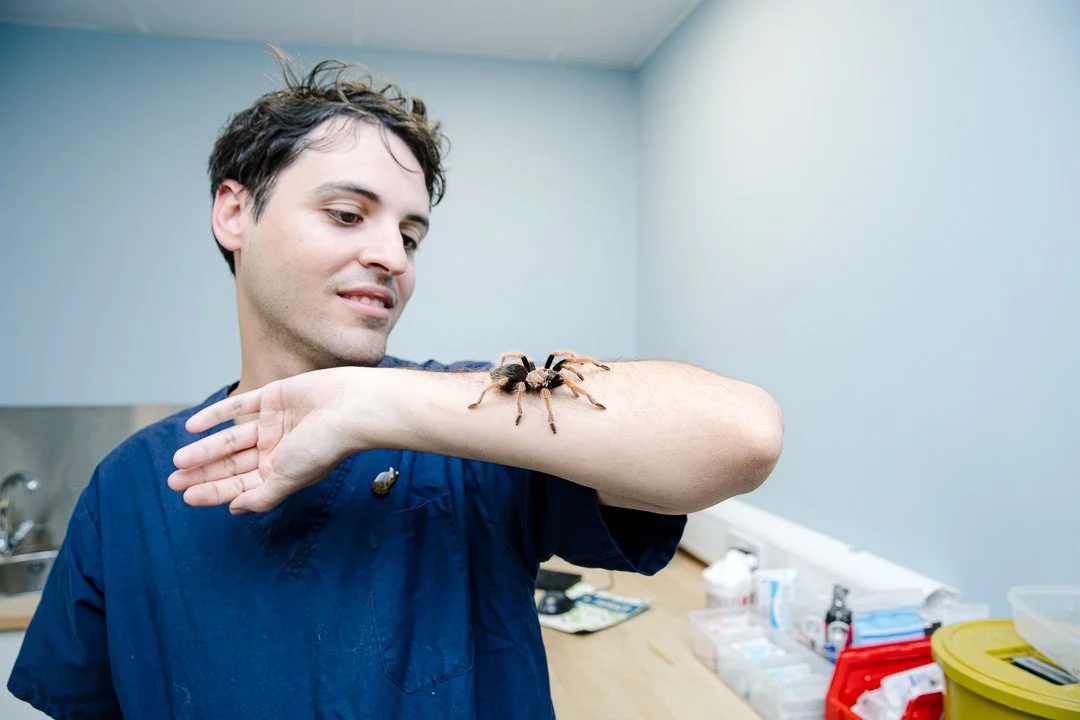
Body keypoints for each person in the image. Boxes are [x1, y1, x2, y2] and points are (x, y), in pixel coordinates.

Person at [8, 47, 784, 719]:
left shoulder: (462, 436)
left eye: (411, 234)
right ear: (234, 213)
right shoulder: (129, 493)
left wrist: (366, 403)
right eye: (348, 215)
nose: (394, 257)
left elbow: (740, 435)